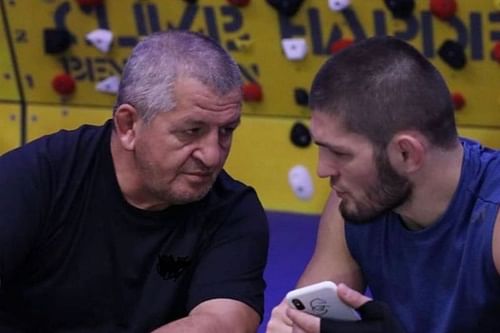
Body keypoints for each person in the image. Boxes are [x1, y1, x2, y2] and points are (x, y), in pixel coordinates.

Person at [0, 30, 269, 332]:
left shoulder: (233, 210)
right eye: (192, 131)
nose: (212, 155)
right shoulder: (36, 178)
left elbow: (223, 323)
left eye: (227, 130)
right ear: (128, 125)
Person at [267, 36, 500, 333]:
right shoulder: (353, 204)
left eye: (339, 153)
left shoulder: (493, 216)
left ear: (406, 153)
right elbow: (305, 316)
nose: (322, 170)